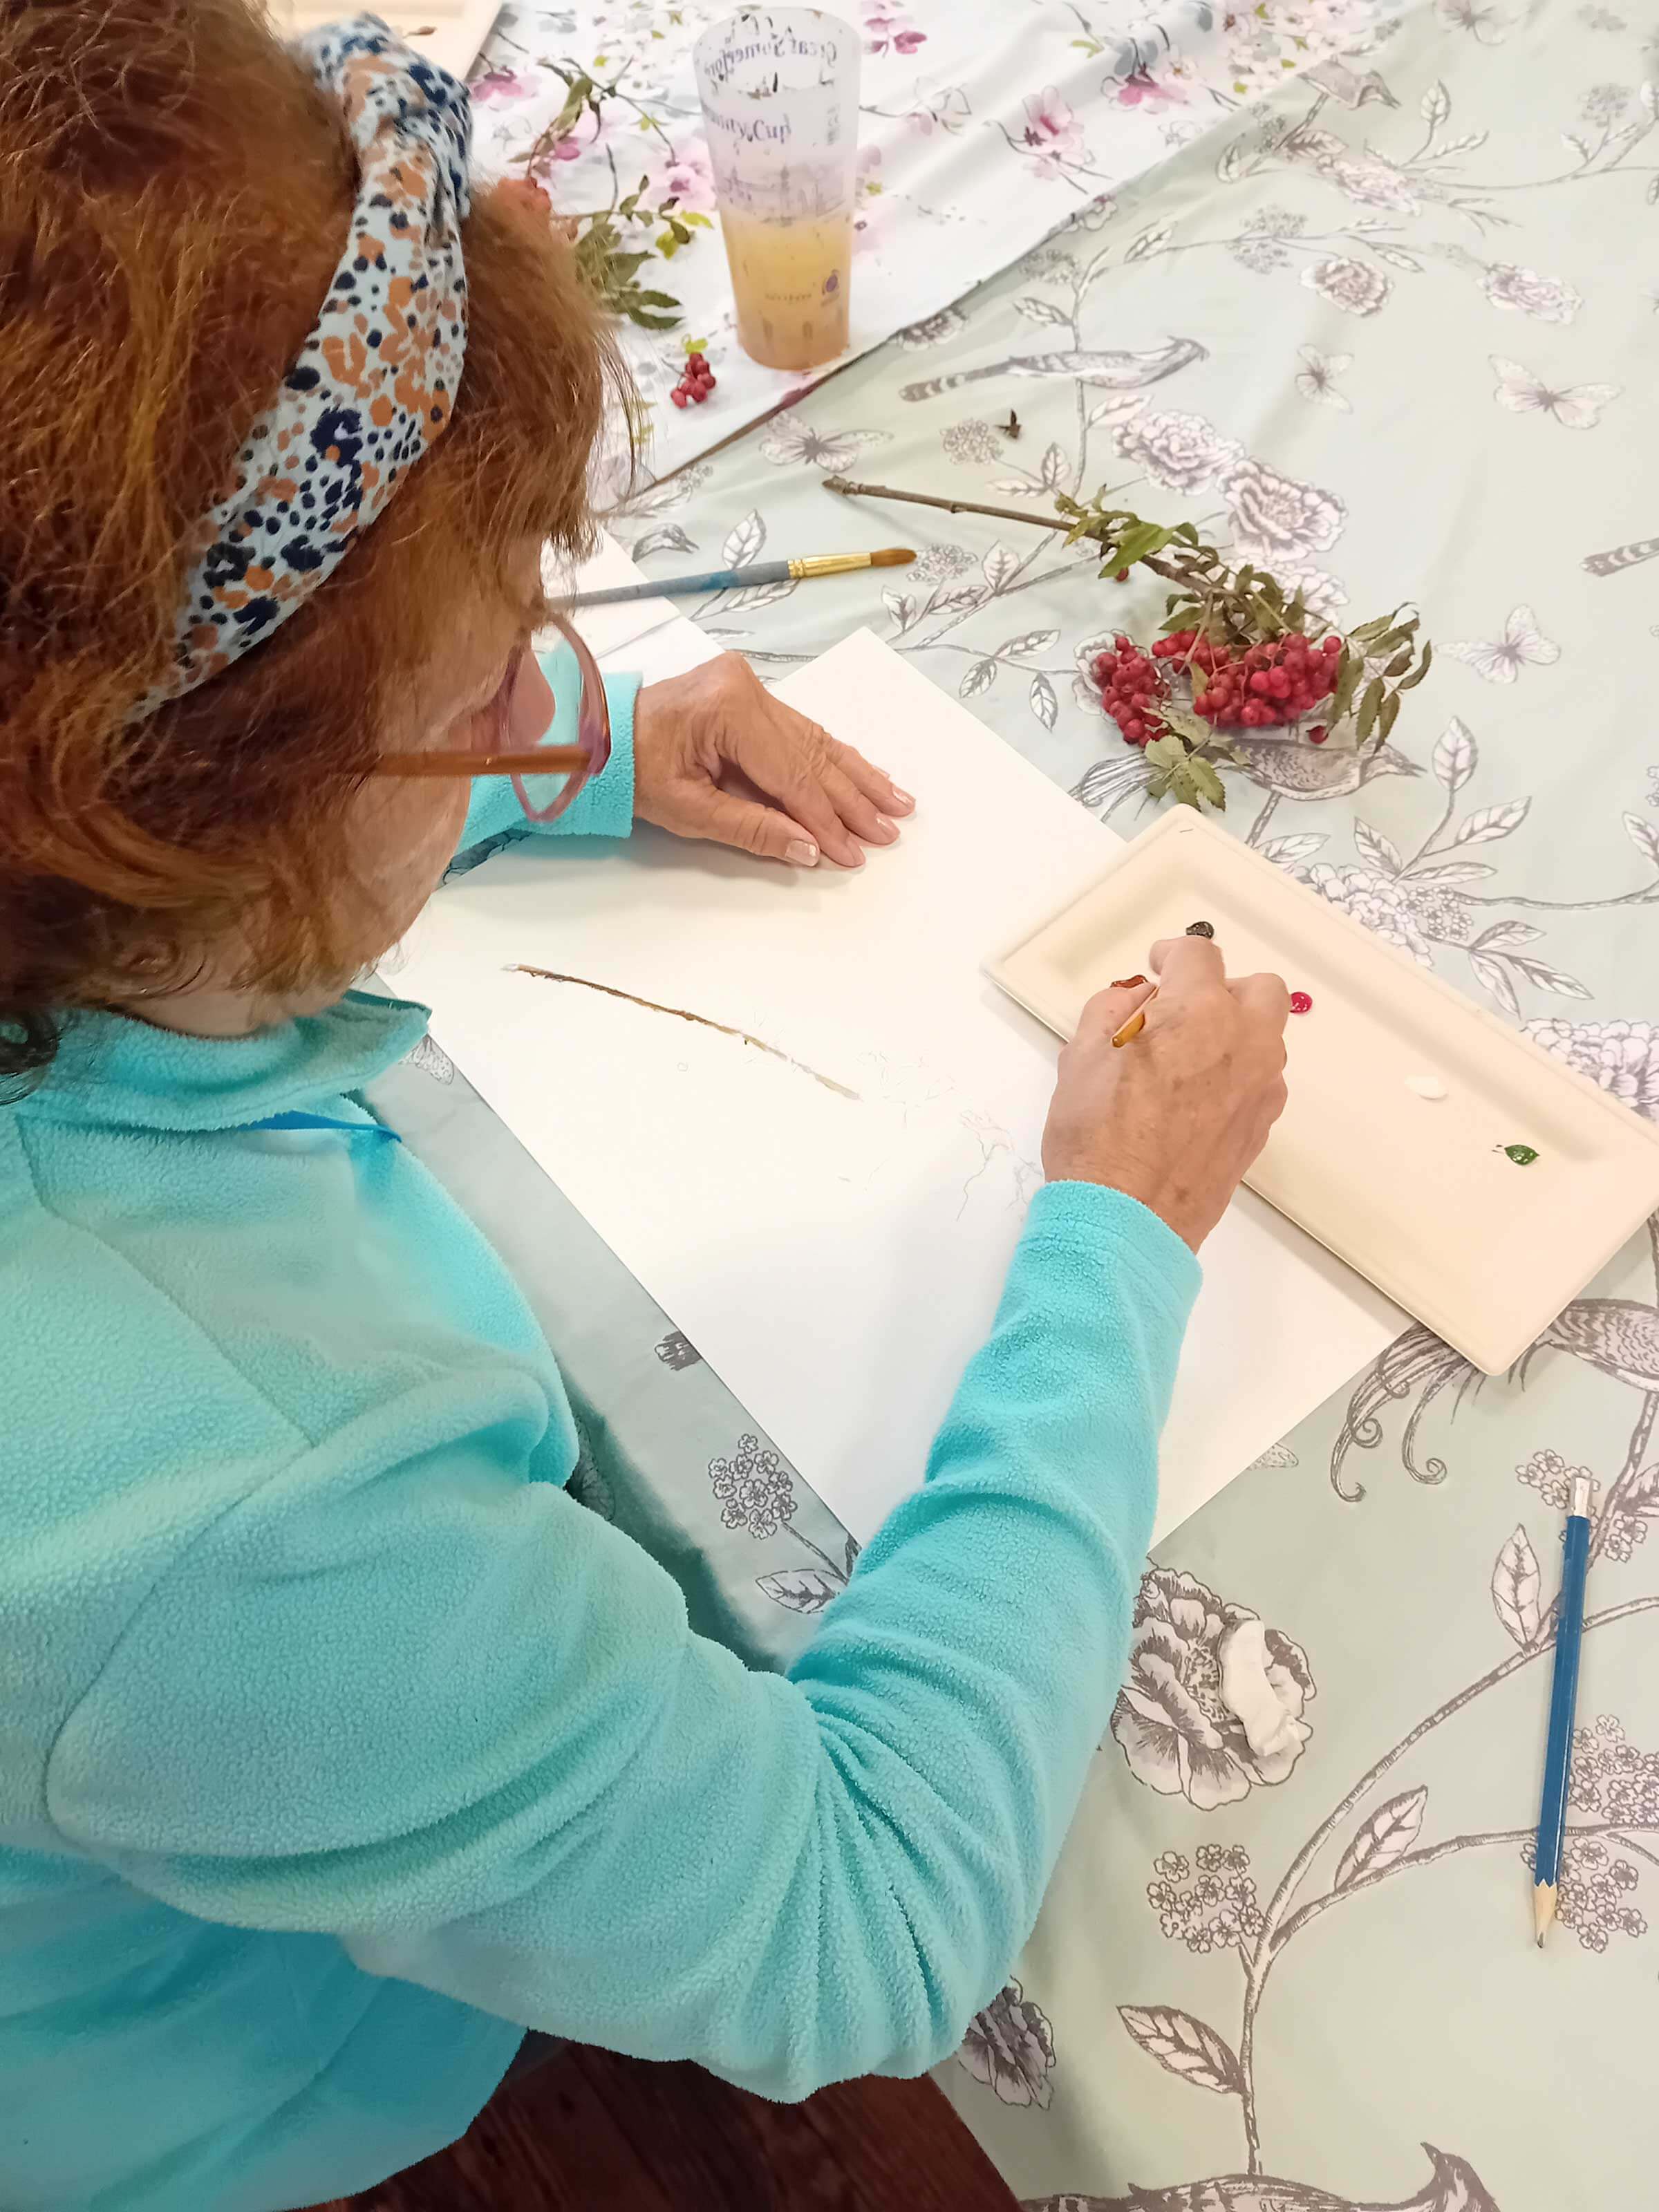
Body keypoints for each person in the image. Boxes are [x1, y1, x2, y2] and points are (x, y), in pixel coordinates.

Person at [0, 7, 1290, 2209]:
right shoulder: (223, 1508)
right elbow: (861, 1923)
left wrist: (576, 746)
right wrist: (1117, 1246)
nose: (548, 682)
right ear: (204, 817)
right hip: (229, 2091)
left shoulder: (75, 880)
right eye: (488, 672)